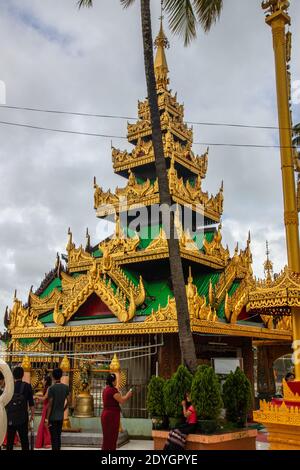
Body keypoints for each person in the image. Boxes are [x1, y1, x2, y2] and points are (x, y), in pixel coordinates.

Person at [6, 366, 34, 451]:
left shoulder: (9, 387)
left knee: (10, 442)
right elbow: (31, 404)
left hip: (11, 418)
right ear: (22, 375)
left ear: (13, 376)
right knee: (24, 441)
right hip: (23, 418)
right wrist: (31, 417)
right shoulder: (27, 386)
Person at [101, 373, 132, 451]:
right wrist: (128, 395)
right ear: (112, 381)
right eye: (115, 380)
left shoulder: (105, 390)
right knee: (112, 436)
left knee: (107, 437)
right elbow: (121, 400)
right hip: (111, 416)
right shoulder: (112, 390)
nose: (116, 382)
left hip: (106, 415)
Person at [46, 368, 70, 451]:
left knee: (53, 437)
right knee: (58, 436)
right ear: (60, 376)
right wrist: (64, 408)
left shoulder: (51, 388)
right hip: (60, 416)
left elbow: (50, 404)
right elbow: (69, 401)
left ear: (53, 376)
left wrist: (47, 418)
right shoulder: (65, 387)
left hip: (52, 416)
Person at [35, 375, 52, 449]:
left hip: (47, 407)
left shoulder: (49, 388)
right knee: (43, 425)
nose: (42, 381)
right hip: (45, 407)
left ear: (46, 381)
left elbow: (45, 397)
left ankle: (47, 442)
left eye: (43, 379)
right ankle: (44, 442)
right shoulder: (46, 388)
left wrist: (36, 397)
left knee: (44, 425)